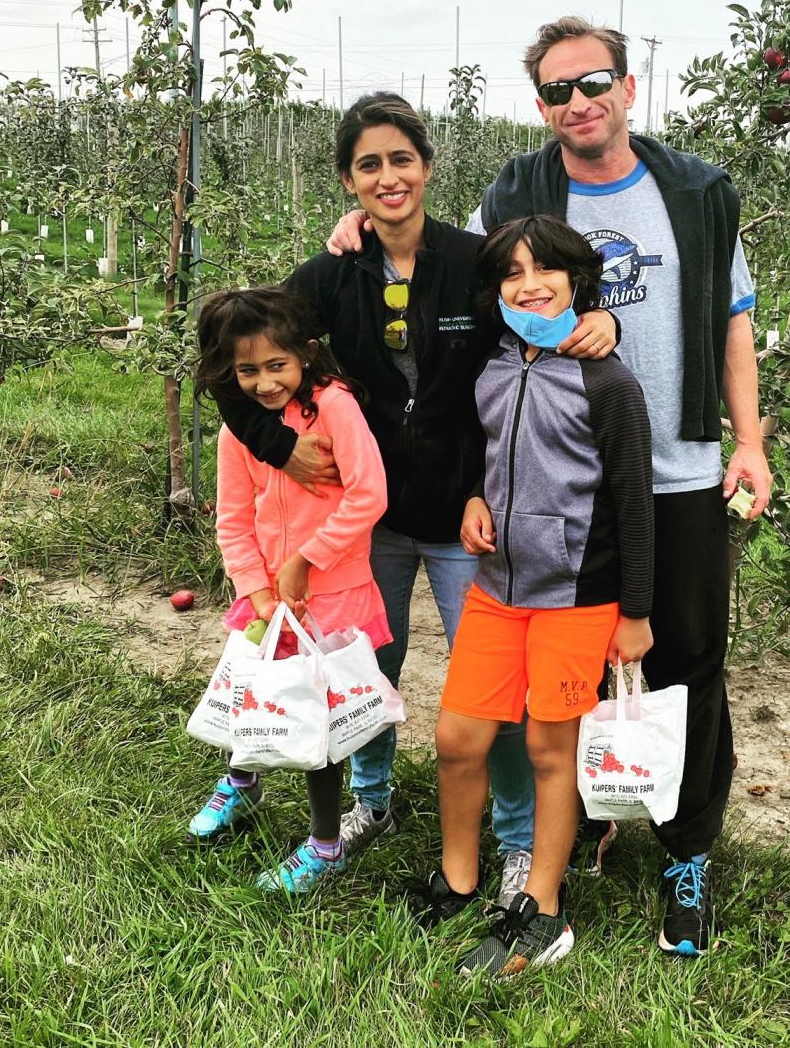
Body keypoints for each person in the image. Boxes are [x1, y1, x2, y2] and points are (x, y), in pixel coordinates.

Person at [326, 17, 771, 956]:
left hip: (678, 465)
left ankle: (683, 856)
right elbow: (469, 271)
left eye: (594, 82)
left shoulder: (696, 191)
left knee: (684, 660)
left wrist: (750, 440)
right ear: (541, 106)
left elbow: (735, 319)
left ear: (628, 87)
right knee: (570, 682)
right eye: (559, 91)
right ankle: (587, 826)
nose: (578, 102)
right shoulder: (521, 188)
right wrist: (367, 229)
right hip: (546, 491)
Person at [217, 93, 618, 907]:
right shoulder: (328, 276)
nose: (389, 176)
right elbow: (238, 362)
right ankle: (369, 801)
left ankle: (513, 839)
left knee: (495, 695)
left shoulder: (473, 262)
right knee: (369, 669)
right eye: (370, 164)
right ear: (348, 181)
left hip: (469, 517)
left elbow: (534, 322)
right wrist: (277, 445)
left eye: (402, 159)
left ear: (427, 168)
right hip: (369, 522)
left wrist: (597, 313)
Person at [416, 216, 654, 977]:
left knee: (552, 750)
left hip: (576, 596)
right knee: (458, 738)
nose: (530, 285)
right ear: (496, 290)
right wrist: (473, 498)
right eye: (512, 274)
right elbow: (483, 451)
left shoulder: (608, 382)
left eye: (545, 270)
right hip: (496, 588)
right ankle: (460, 878)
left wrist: (636, 614)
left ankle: (543, 911)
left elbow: (633, 501)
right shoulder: (490, 366)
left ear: (578, 281)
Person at [189, 286, 390, 895]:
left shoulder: (333, 407)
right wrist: (255, 586)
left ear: (305, 353)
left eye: (277, 366)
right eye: (247, 371)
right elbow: (232, 517)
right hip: (269, 601)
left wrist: (306, 560)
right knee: (253, 696)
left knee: (317, 729)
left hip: (334, 596)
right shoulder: (242, 432)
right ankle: (242, 785)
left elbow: (369, 494)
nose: (265, 383)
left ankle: (326, 847)